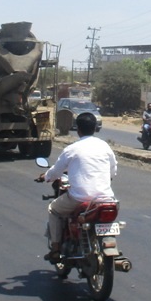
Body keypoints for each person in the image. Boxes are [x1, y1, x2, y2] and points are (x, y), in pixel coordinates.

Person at [37, 112, 117, 263]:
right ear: (95, 128)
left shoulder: (72, 149)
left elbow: (56, 171)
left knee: (53, 209)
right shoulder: (105, 146)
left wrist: (46, 177)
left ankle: (55, 248)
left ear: (78, 129)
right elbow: (113, 171)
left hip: (79, 198)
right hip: (106, 199)